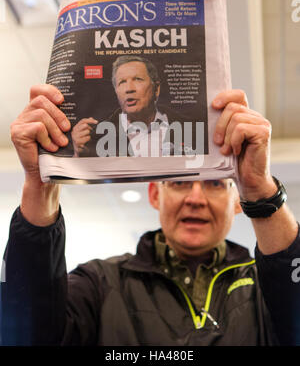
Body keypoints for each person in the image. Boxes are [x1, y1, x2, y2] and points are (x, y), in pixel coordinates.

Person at [1, 84, 300, 346]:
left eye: (214, 184)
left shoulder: (266, 289)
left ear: (237, 201)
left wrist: (260, 188)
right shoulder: (100, 283)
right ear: (155, 195)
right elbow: (24, 333)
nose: (196, 199)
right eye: (179, 183)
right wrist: (39, 184)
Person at [71, 55, 202, 157]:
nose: (129, 89)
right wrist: (78, 153)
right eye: (122, 82)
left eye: (137, 79)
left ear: (156, 89)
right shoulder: (97, 135)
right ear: (116, 91)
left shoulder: (191, 128)